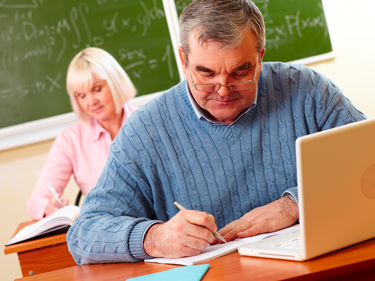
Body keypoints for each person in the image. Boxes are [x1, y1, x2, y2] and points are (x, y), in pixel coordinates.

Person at [67, 0, 365, 264]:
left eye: (240, 72)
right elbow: (83, 235)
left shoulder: (306, 90)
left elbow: (369, 158)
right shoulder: (145, 130)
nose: (223, 89)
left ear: (260, 56)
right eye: (206, 73)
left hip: (323, 266)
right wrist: (156, 238)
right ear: (184, 61)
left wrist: (295, 203)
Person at [27, 47, 137, 220]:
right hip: (107, 233)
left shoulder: (147, 121)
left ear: (115, 82)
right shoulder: (70, 140)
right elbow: (35, 202)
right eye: (81, 95)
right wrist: (47, 208)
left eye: (97, 89)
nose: (91, 102)